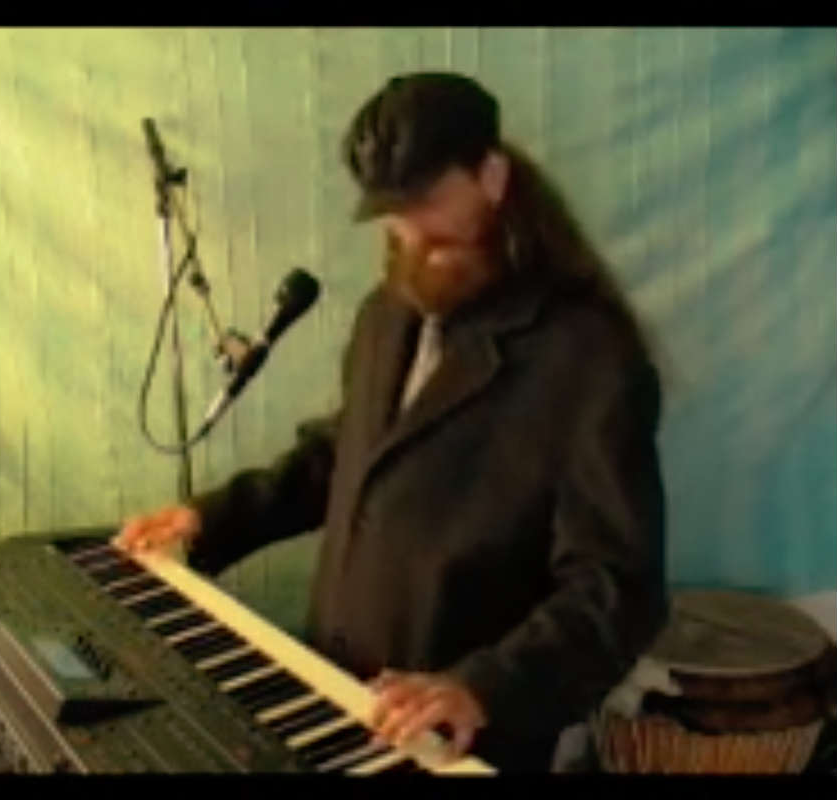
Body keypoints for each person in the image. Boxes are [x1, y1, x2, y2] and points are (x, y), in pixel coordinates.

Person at [115, 71, 669, 773]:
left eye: (429, 200)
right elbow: (343, 456)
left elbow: (618, 587)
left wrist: (483, 687)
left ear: (492, 177)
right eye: (394, 210)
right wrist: (210, 519)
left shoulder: (588, 354)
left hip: (454, 742)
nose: (413, 233)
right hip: (336, 702)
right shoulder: (387, 311)